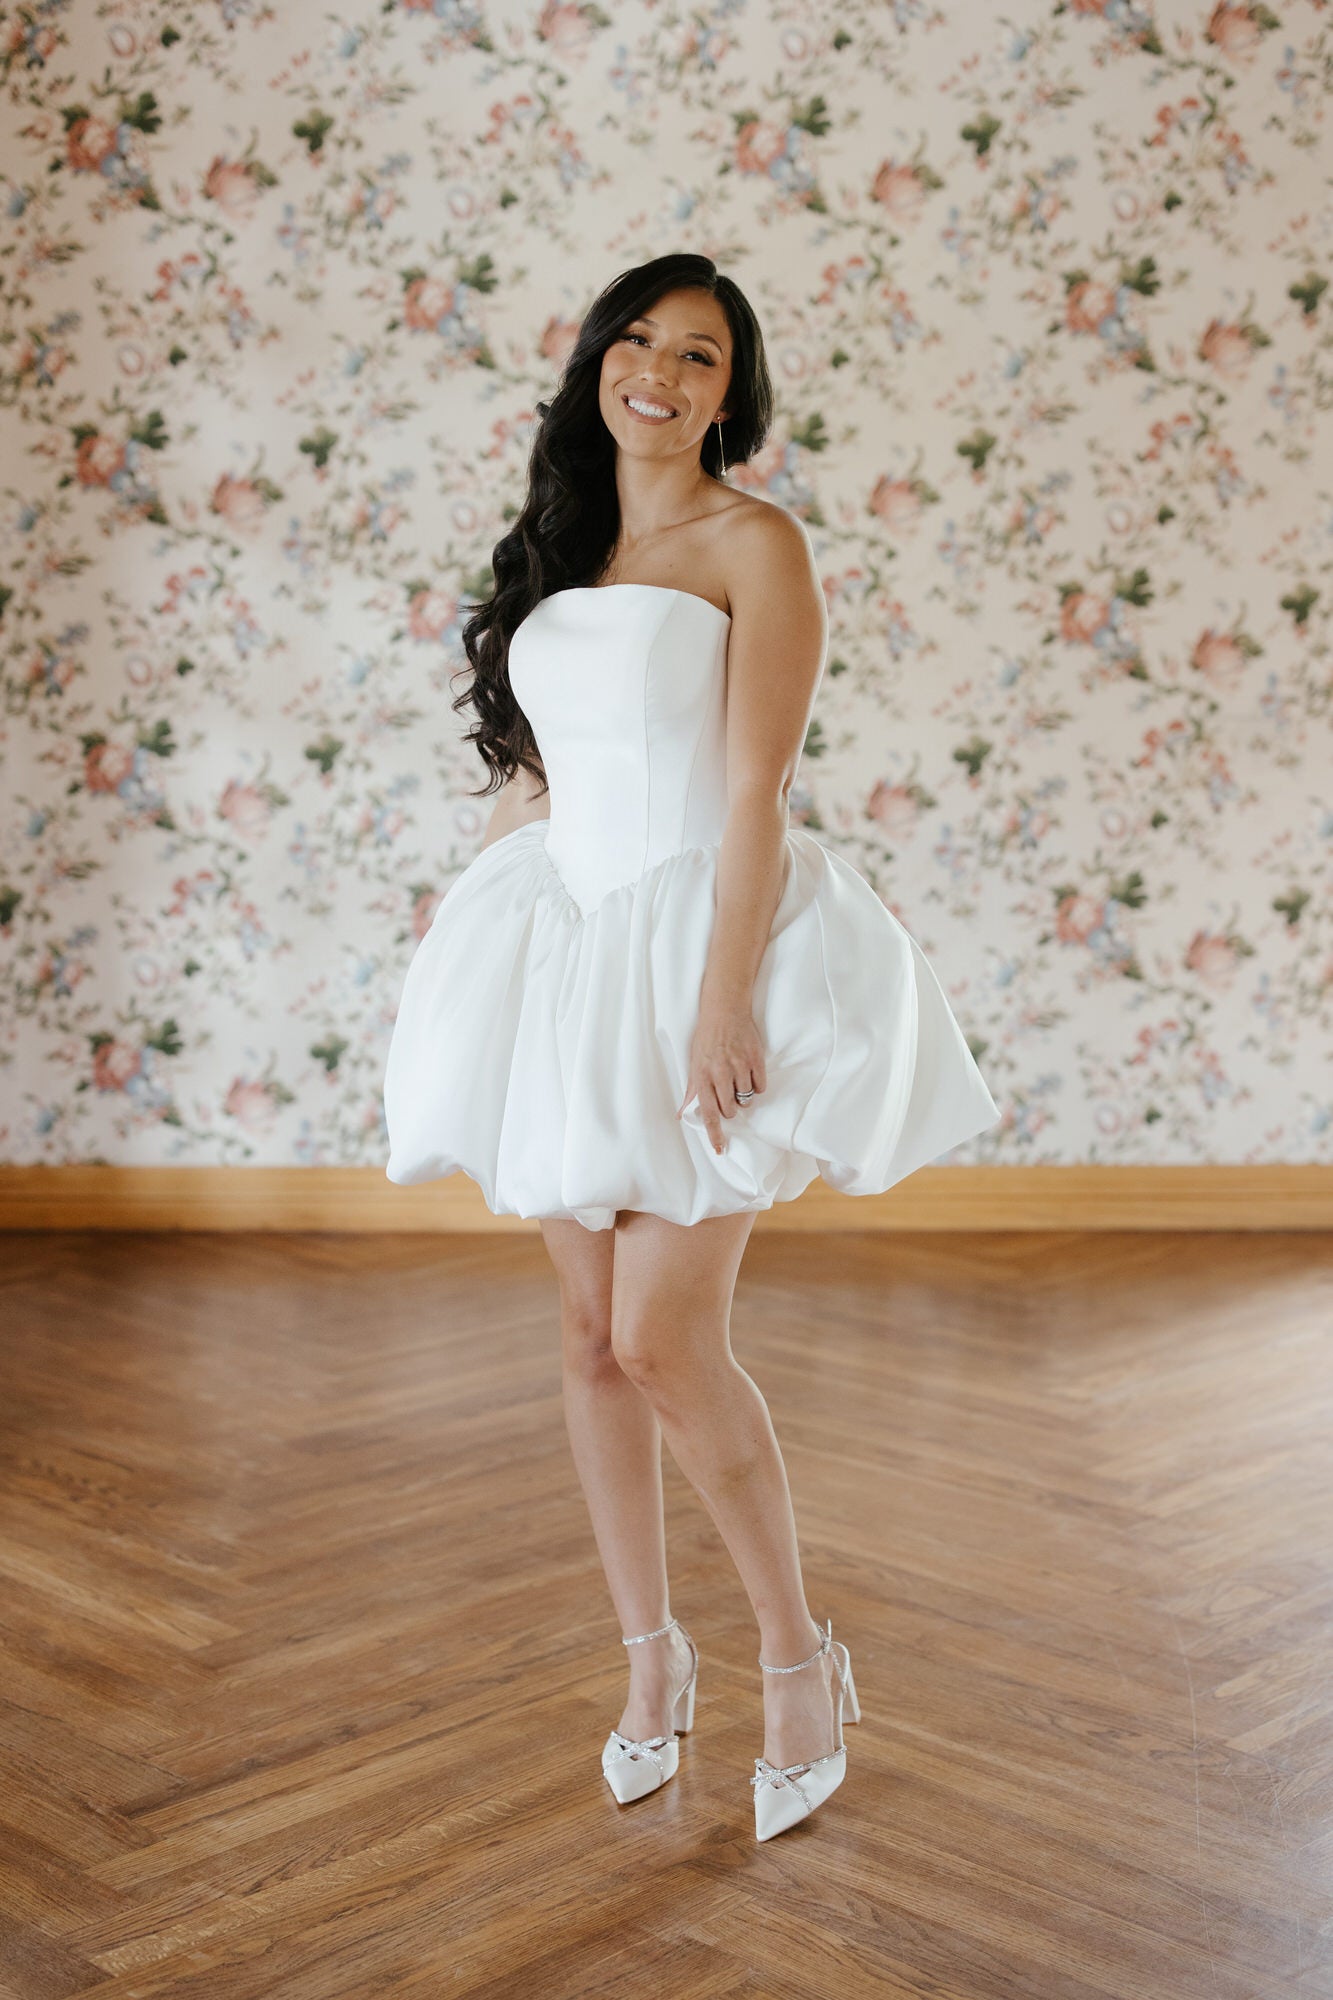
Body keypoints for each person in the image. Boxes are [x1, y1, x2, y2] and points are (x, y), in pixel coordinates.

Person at [382, 252, 1001, 1840]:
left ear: (733, 391)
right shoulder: (562, 544)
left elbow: (752, 791)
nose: (657, 373)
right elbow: (543, 774)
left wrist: (723, 998)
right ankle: (651, 1664)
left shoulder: (753, 542)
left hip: (699, 942)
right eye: (637, 341)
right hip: (563, 951)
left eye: (698, 354)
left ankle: (798, 1662)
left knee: (666, 1338)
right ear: (597, 360)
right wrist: (471, 940)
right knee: (590, 1339)